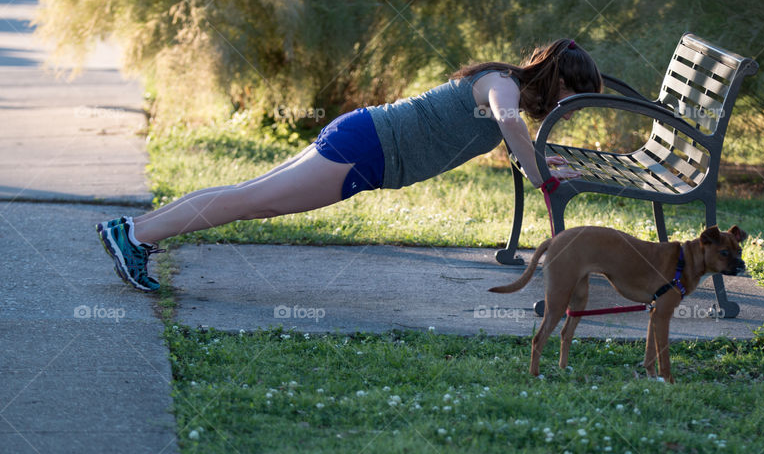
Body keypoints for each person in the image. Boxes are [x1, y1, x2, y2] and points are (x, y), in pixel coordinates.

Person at [97, 38, 603, 291]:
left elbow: (519, 136)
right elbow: (511, 126)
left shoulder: (503, 85)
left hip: (364, 140)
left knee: (246, 195)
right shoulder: (503, 85)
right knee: (250, 202)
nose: (570, 106)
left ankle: (134, 230)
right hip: (366, 148)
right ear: (559, 80)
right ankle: (136, 238)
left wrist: (551, 161)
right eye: (574, 96)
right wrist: (546, 180)